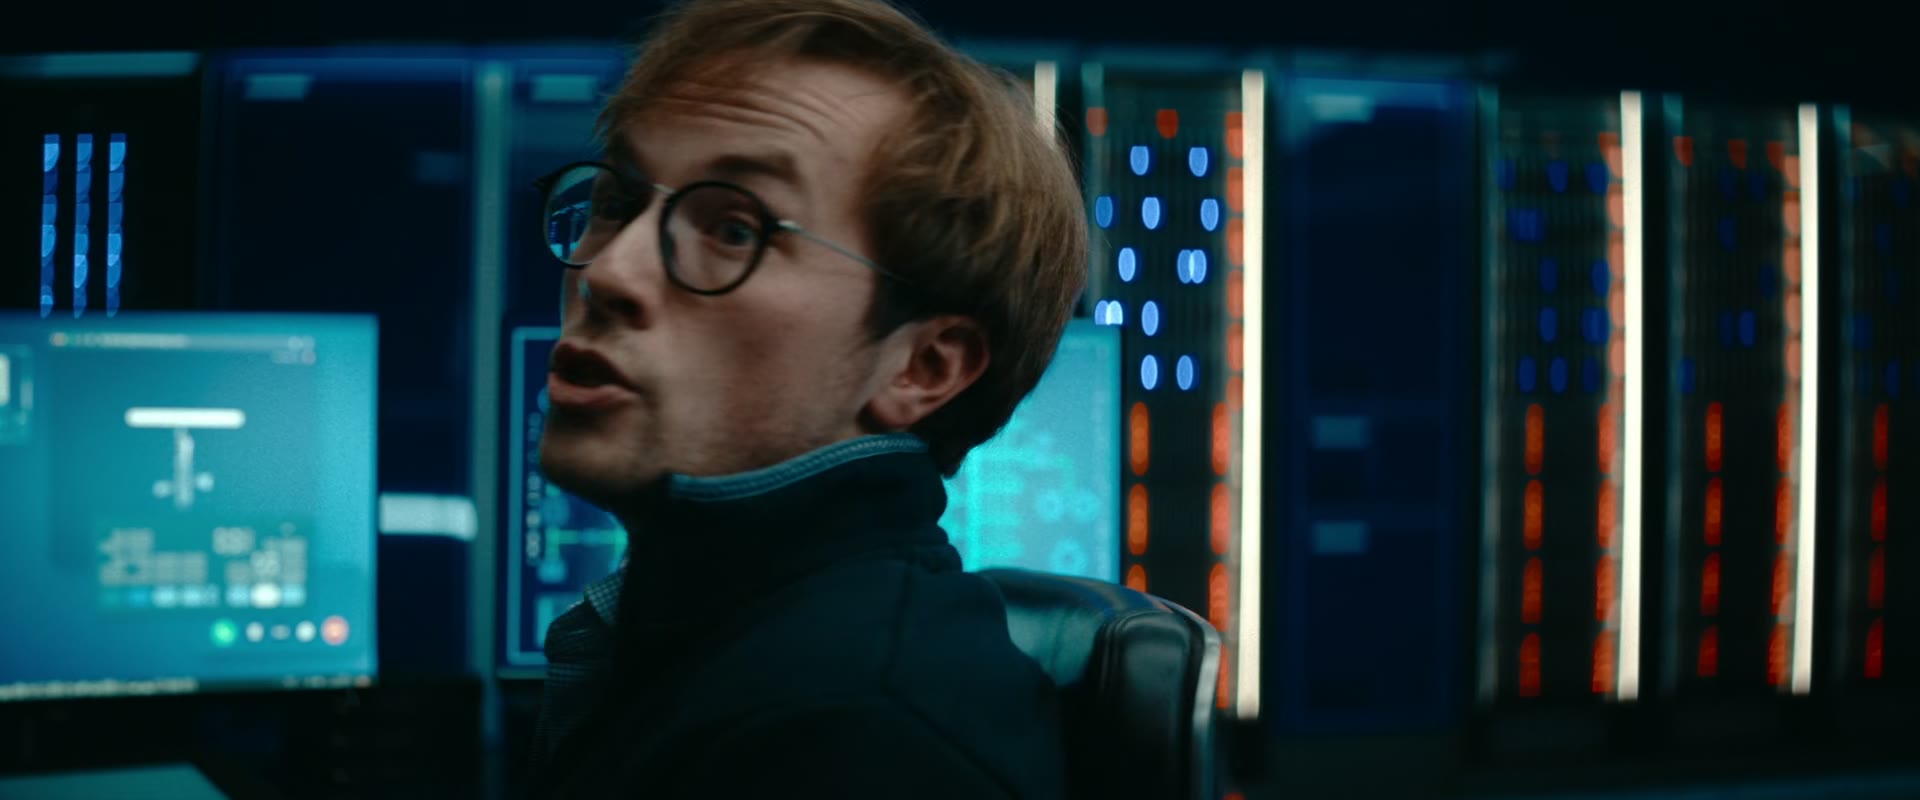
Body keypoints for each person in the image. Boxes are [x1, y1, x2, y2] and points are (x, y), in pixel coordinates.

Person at [522, 0, 1088, 796]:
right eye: (617, 205)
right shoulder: (725, 655)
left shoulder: (864, 736)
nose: (609, 273)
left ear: (922, 366)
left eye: (735, 230)